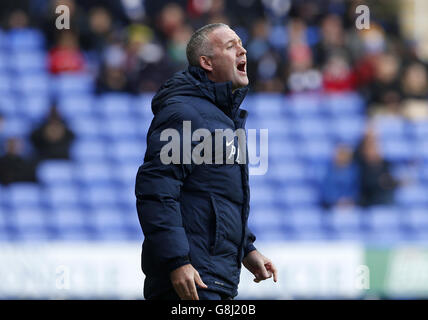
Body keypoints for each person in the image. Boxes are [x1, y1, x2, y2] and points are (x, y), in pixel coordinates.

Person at [135, 23, 277, 300]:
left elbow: (213, 197)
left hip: (215, 279)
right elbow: (157, 191)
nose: (243, 49)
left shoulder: (222, 119)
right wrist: (177, 261)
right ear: (206, 63)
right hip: (191, 282)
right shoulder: (184, 112)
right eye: (230, 46)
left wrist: (245, 249)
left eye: (241, 43)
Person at [320, 144, 359, 209]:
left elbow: (355, 189)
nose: (342, 157)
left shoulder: (354, 171)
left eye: (345, 155)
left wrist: (349, 200)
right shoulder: (329, 173)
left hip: (351, 206)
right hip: (333, 206)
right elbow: (327, 192)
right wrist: (337, 201)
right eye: (341, 154)